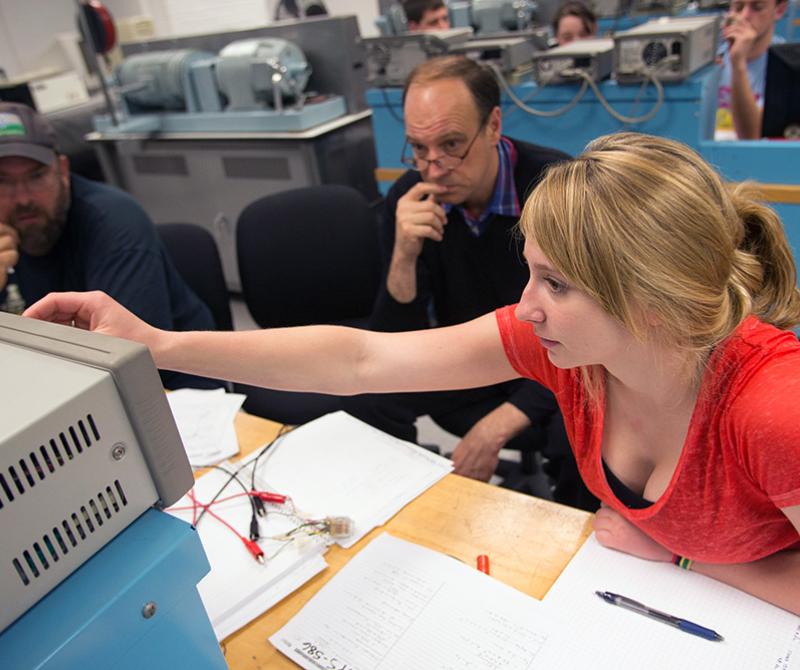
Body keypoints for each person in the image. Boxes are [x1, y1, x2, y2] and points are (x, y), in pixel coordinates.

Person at [25, 132, 800, 614]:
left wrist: (685, 556)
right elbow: (362, 359)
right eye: (529, 274)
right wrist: (158, 344)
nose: (525, 307)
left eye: (556, 285)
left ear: (649, 300)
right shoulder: (576, 354)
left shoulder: (772, 407)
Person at [350, 55, 582, 503]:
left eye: (452, 144)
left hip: (553, 367)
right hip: (464, 363)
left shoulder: (555, 188)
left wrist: (499, 425)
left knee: (583, 429)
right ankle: (407, 514)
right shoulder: (409, 198)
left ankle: (577, 551)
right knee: (370, 397)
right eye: (419, 148)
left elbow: (588, 338)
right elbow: (391, 342)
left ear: (494, 125)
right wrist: (403, 255)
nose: (434, 168)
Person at [0, 102, 216, 389]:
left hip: (174, 389)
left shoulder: (113, 223)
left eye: (36, 176)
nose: (23, 198)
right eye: (2, 182)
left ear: (62, 170)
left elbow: (120, 367)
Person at [715, 0, 788, 140]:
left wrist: (738, 63)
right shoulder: (712, 60)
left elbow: (751, 138)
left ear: (779, 10)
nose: (744, 16)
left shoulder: (786, 65)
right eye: (738, 7)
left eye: (757, 7)